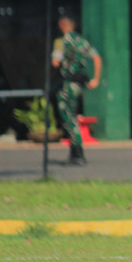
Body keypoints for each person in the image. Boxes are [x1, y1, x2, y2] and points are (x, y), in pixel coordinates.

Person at [52, 10, 102, 165]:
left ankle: (77, 153)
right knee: (72, 114)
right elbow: (96, 58)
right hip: (79, 84)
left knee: (68, 117)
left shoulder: (61, 42)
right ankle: (75, 153)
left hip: (67, 84)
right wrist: (96, 79)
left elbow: (55, 62)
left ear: (62, 25)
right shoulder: (82, 41)